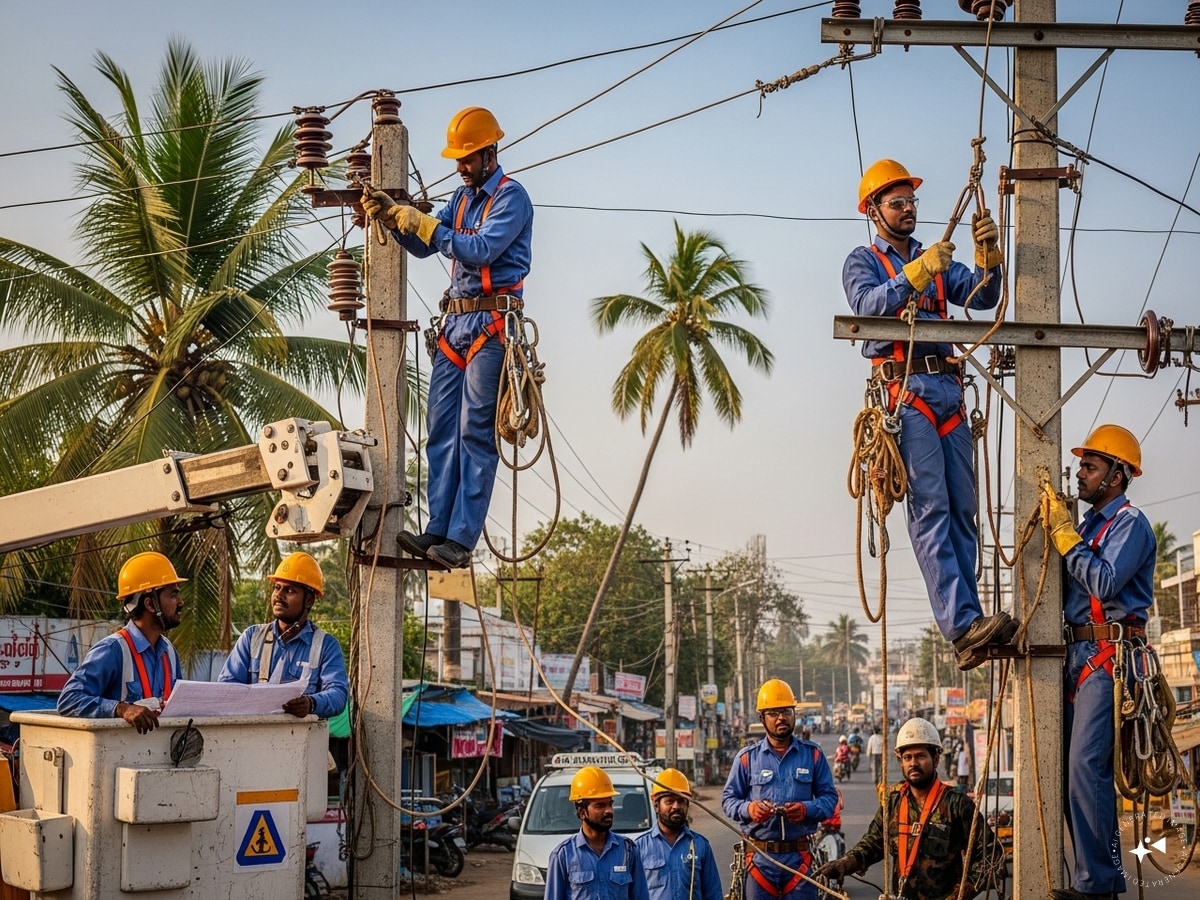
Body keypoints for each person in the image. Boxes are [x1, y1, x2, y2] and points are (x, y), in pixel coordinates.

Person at [843, 159, 1014, 671]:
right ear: (874, 211)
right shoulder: (864, 260)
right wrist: (916, 275)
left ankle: (974, 620)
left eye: (912, 201)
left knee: (963, 509)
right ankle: (961, 626)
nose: (909, 208)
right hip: (905, 393)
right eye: (897, 202)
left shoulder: (933, 257)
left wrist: (989, 259)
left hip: (948, 391)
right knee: (931, 510)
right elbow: (867, 307)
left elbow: (983, 298)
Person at [363, 106, 534, 570]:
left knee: (473, 432)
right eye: (458, 160)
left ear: (489, 152)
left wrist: (422, 223)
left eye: (467, 159)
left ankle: (460, 538)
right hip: (455, 326)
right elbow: (424, 243)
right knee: (440, 429)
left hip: (491, 327)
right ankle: (438, 528)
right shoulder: (460, 200)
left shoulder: (511, 199)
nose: (460, 167)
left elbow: (479, 250)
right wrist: (391, 219)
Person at [1042, 424, 1156, 900]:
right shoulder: (1088, 526)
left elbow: (1106, 583)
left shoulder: (1130, 523)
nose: (1081, 474)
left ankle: (1100, 884)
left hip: (1110, 655)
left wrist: (1066, 538)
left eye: (1090, 466)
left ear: (1117, 474)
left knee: (1087, 768)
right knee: (1067, 772)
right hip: (1077, 655)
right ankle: (1094, 876)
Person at [813, 717, 1003, 899]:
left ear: (936, 759)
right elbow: (873, 842)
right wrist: (844, 864)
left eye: (920, 756)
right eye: (907, 757)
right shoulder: (894, 802)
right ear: (901, 761)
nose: (913, 763)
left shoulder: (957, 804)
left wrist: (963, 892)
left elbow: (992, 855)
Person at [722, 678, 839, 899]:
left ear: (794, 714)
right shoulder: (747, 758)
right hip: (759, 860)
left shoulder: (812, 754)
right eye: (774, 713)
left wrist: (807, 809)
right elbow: (729, 799)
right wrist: (750, 809)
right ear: (762, 718)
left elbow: (829, 798)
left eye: (786, 711)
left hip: (800, 859)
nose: (781, 718)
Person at [57, 551, 186, 734]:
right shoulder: (113, 650)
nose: (180, 602)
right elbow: (69, 700)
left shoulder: (169, 653)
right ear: (150, 604)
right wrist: (121, 709)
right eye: (173, 595)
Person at [219, 551, 348, 719]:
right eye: (277, 587)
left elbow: (338, 693)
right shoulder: (252, 637)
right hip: (252, 738)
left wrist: (311, 703)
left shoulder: (326, 645)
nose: (279, 595)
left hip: (302, 741)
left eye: (290, 590)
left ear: (309, 600)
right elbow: (227, 687)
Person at [545, 765, 650, 900]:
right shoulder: (563, 855)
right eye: (600, 806)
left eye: (610, 804)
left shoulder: (628, 850)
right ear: (582, 812)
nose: (609, 811)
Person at [633, 768, 722, 900]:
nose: (676, 806)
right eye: (669, 801)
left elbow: (713, 894)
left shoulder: (701, 846)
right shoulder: (639, 848)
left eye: (681, 801)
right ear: (656, 806)